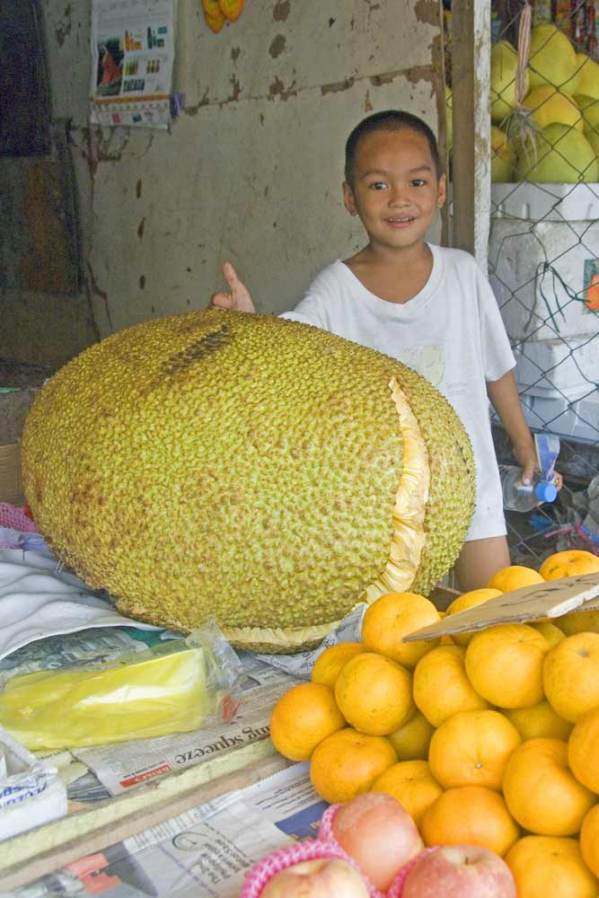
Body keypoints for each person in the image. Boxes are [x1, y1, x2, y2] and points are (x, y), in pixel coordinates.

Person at [210, 109, 547, 592]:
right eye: (377, 186)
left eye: (416, 181)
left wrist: (520, 438)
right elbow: (288, 346)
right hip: (379, 500)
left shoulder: (463, 274)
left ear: (441, 190)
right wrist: (250, 324)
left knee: (491, 612)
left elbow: (497, 369)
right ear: (350, 197)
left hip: (471, 481)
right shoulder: (337, 289)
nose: (399, 200)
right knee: (399, 632)